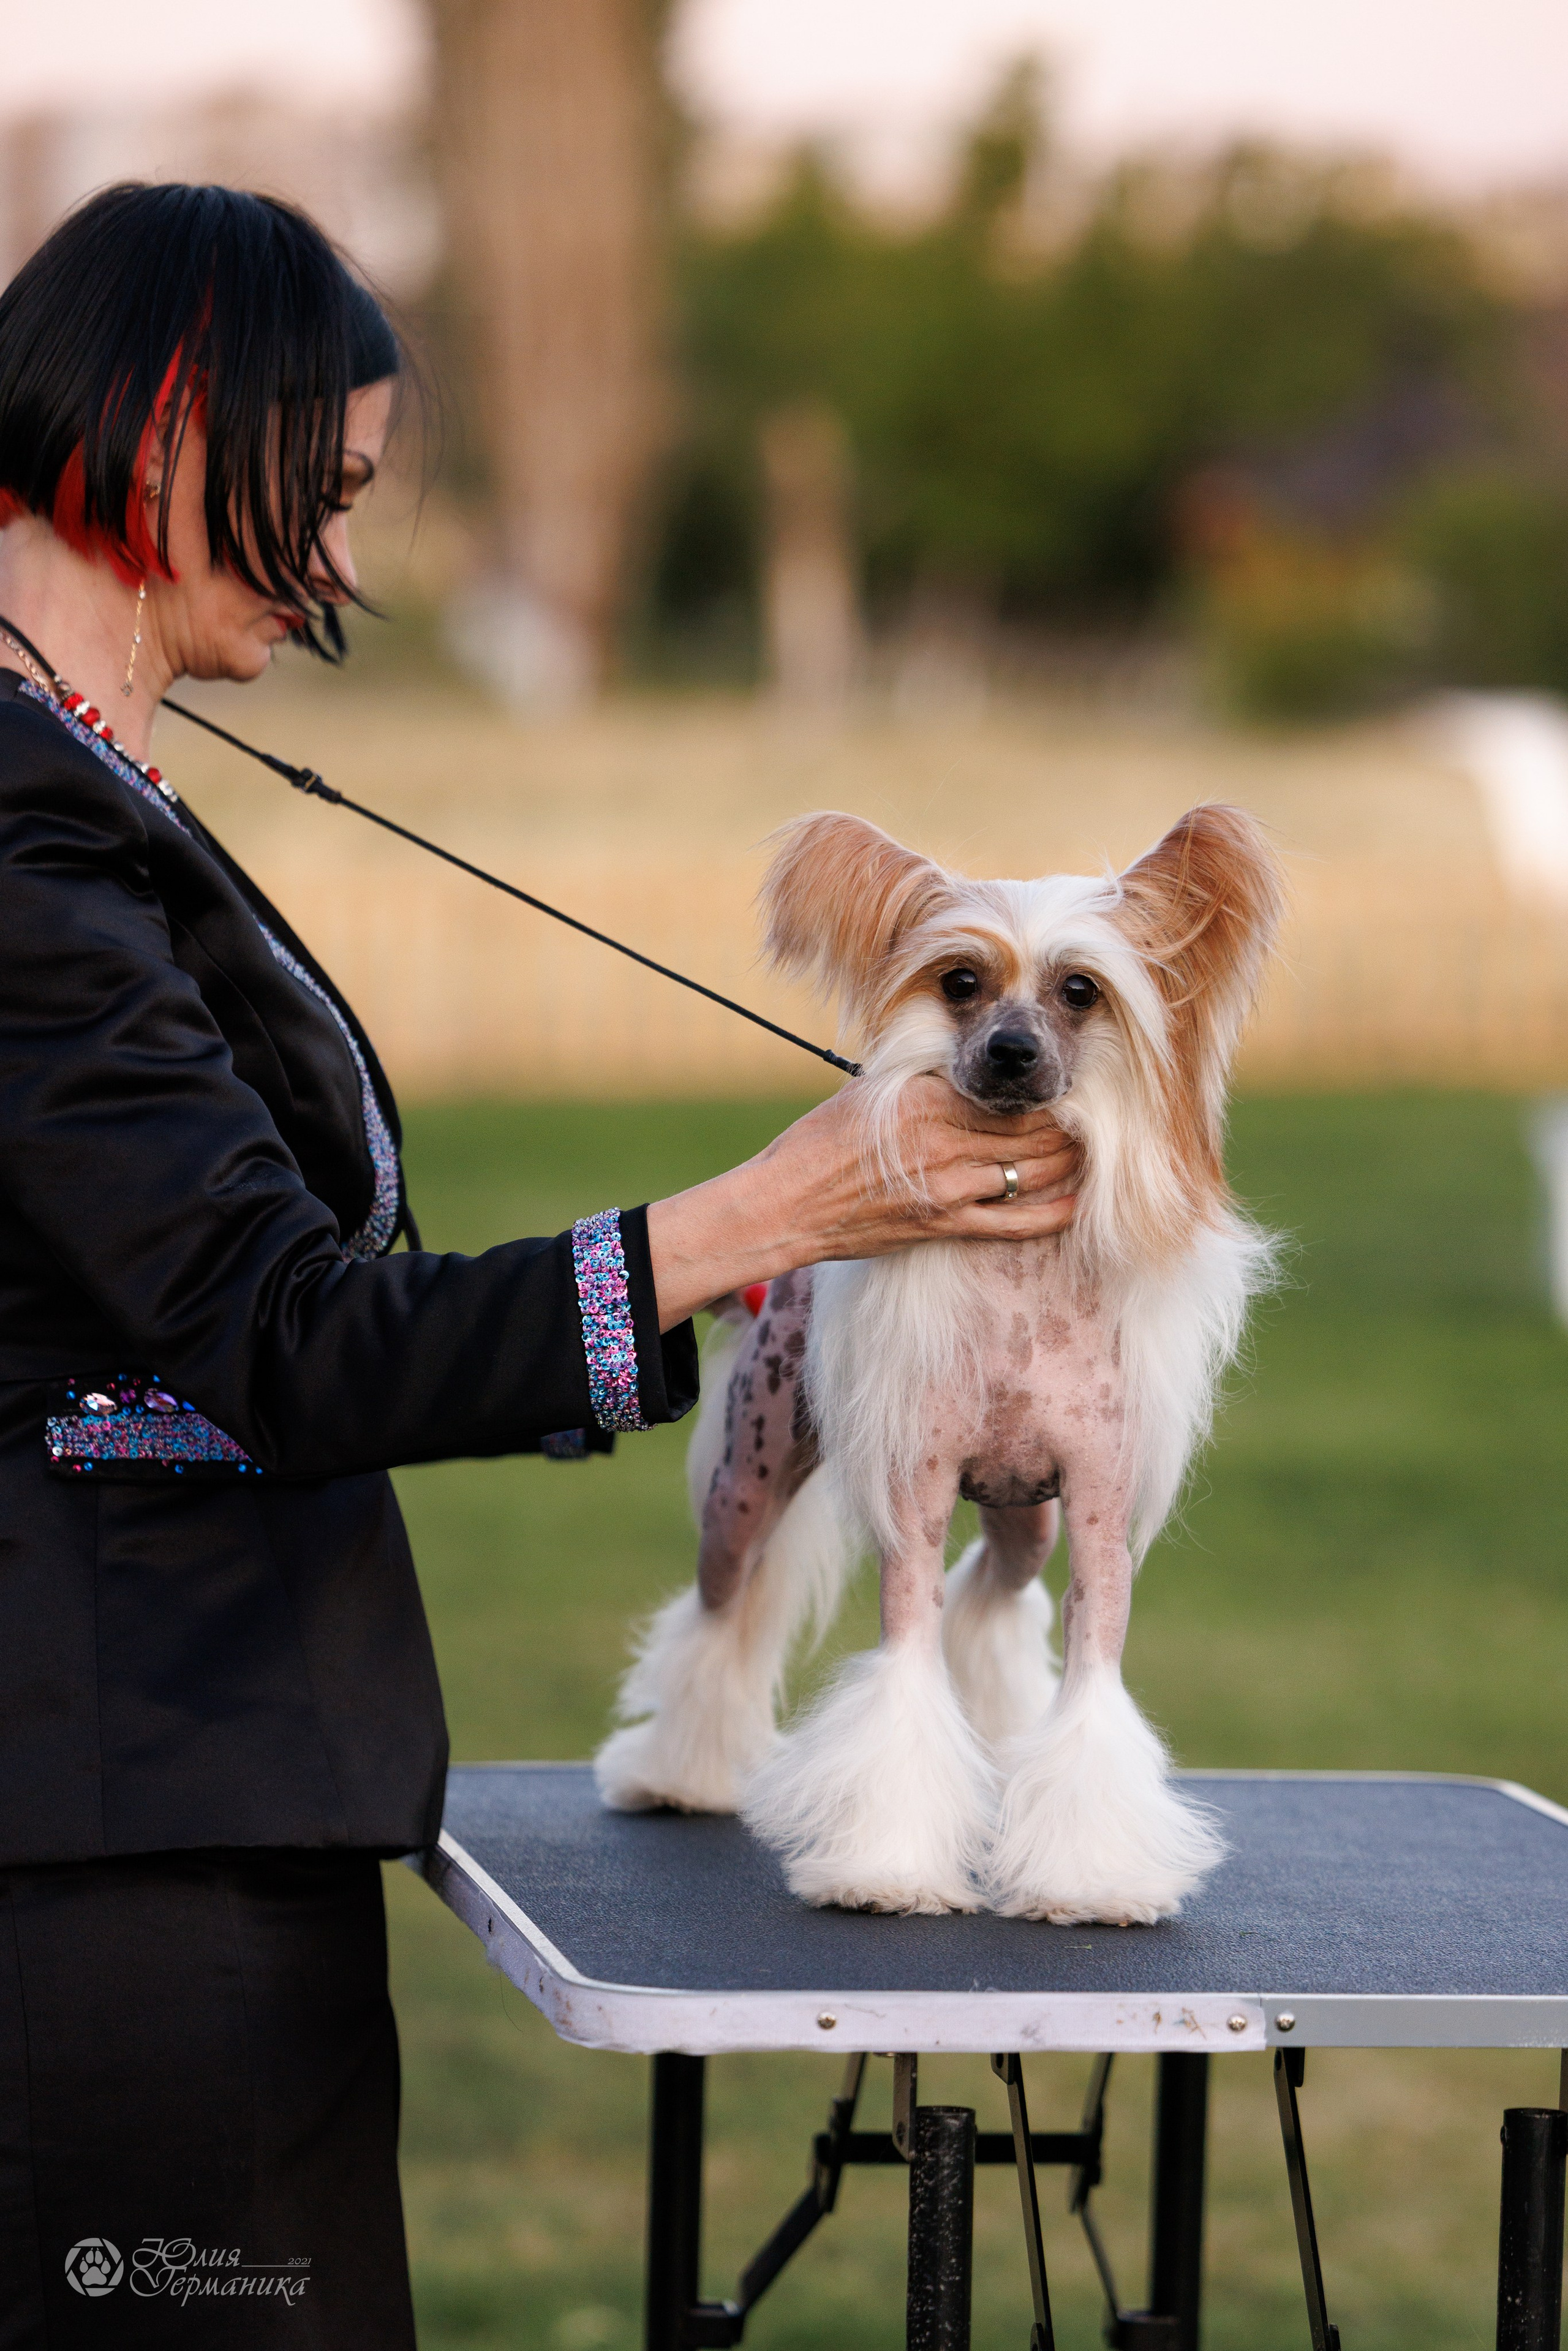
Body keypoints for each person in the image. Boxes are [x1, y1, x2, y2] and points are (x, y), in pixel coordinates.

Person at [0, 182, 1077, 2347]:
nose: (345, 564)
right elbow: (288, 1343)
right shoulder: (27, 836)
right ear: (178, 422)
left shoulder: (85, 794)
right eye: (331, 491)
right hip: (118, 1874)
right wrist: (774, 1213)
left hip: (169, 1820)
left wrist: (739, 1275)